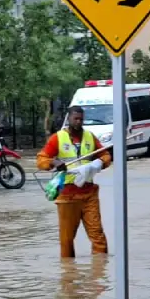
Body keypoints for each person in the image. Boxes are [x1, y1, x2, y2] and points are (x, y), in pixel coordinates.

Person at [37, 106, 111, 258]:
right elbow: (41, 160)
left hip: (89, 193)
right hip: (67, 195)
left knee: (98, 235)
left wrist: (98, 163)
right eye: (75, 119)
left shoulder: (90, 137)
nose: (78, 122)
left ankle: (100, 269)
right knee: (67, 239)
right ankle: (68, 270)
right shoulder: (57, 138)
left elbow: (106, 156)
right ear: (68, 119)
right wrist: (53, 162)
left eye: (81, 119)